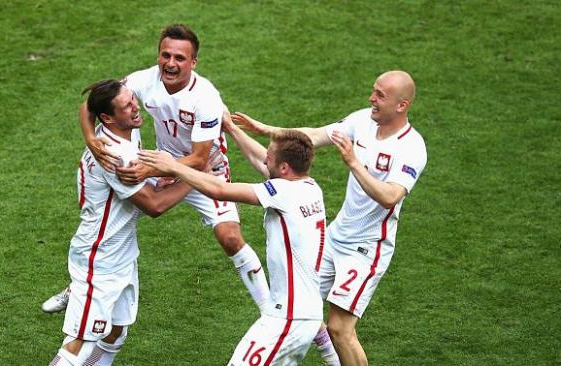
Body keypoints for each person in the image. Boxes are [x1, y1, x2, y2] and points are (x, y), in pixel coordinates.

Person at [42, 23, 270, 314]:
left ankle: (270, 311)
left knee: (230, 237)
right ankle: (79, 286)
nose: (170, 64)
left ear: (193, 62)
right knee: (112, 220)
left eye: (179, 58)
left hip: (204, 170)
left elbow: (200, 159)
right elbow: (92, 103)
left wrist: (151, 171)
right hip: (161, 163)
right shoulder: (144, 80)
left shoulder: (206, 98)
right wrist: (90, 138)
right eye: (165, 55)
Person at [231, 70, 427, 366]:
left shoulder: (411, 148)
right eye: (373, 91)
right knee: (303, 304)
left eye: (380, 95)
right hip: (335, 238)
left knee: (340, 328)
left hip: (367, 248)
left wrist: (352, 161)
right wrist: (267, 130)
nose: (371, 99)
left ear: (402, 105)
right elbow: (314, 135)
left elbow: (389, 196)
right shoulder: (361, 120)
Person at [138, 127, 326, 366]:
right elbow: (265, 162)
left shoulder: (283, 192)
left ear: (284, 168)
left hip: (288, 319)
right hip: (305, 316)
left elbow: (220, 190)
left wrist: (174, 166)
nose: (265, 157)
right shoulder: (310, 188)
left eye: (270, 155)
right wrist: (231, 127)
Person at [49, 79, 195, 366]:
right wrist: (199, 176)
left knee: (115, 333)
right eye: (127, 106)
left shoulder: (120, 132)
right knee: (76, 348)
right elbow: (154, 205)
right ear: (107, 117)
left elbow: (87, 105)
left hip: (120, 254)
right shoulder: (116, 155)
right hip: (100, 258)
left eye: (133, 100)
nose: (135, 107)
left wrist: (158, 177)